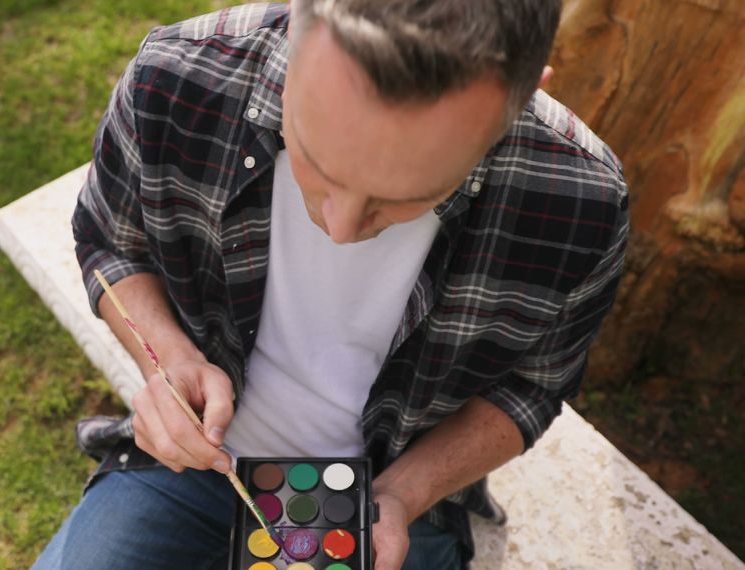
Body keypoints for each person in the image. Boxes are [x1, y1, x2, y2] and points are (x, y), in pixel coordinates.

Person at [33, 1, 628, 568]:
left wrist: (401, 495)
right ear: (295, 26)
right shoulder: (177, 75)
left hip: (384, 496)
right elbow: (109, 240)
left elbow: (529, 389)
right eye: (315, 159)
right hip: (198, 467)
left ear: (517, 101)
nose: (341, 228)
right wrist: (167, 357)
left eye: (404, 197)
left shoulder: (580, 201)